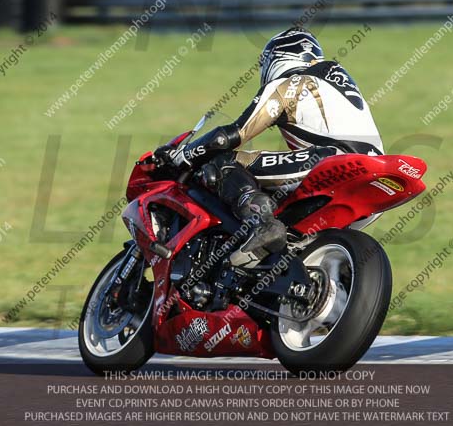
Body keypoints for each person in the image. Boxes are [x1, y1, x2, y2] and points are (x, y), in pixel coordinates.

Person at [155, 27, 384, 268]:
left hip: (332, 160)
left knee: (224, 162)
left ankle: (262, 224)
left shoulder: (289, 83)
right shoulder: (338, 83)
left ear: (277, 58)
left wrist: (182, 155)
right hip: (373, 170)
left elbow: (229, 136)